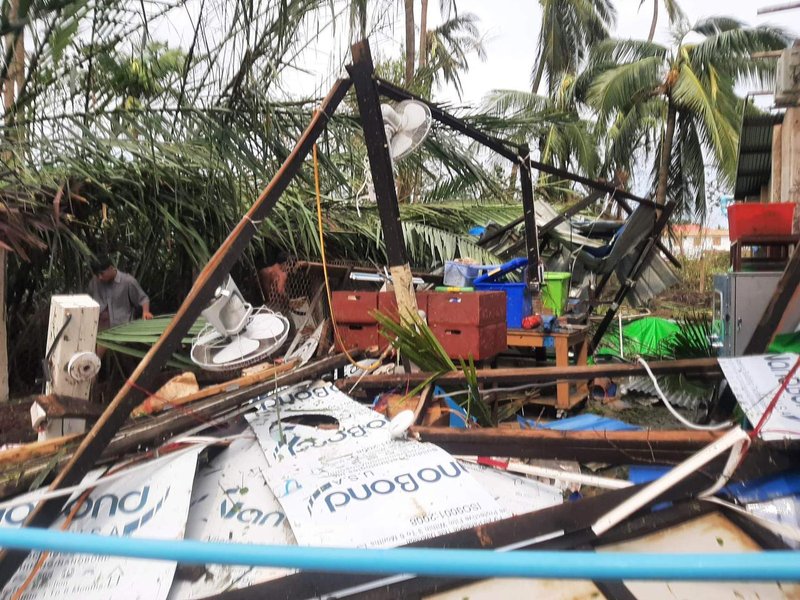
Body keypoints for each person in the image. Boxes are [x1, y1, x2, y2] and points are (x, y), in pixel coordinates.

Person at [88, 256, 153, 330]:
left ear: (111, 268)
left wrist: (146, 312)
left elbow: (143, 299)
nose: (100, 277)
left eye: (102, 274)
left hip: (122, 328)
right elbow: (89, 302)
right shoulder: (94, 282)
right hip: (98, 330)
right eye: (97, 275)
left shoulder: (128, 281)